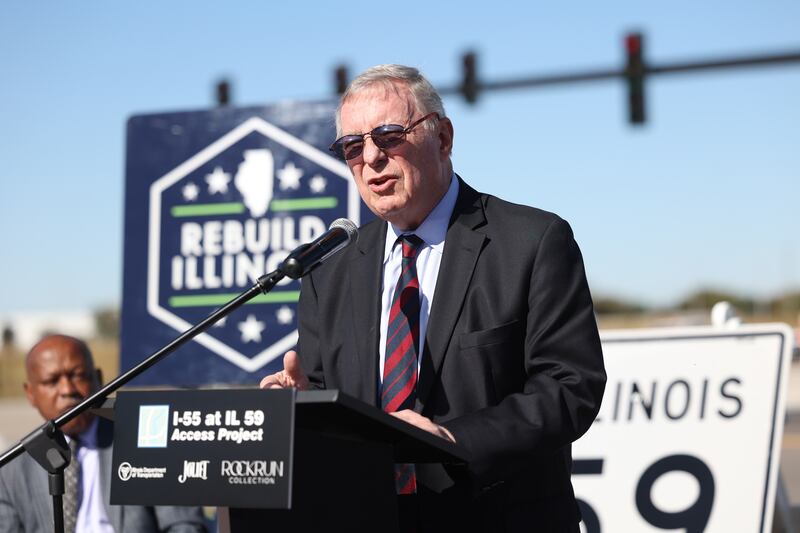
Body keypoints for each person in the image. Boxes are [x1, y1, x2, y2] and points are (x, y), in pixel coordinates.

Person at [260, 64, 606, 531]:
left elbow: (569, 388)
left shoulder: (531, 242)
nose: (372, 159)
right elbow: (334, 406)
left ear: (442, 138)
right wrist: (306, 410)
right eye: (353, 147)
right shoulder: (330, 274)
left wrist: (452, 439)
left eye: (388, 136)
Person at [0, 334, 207, 533]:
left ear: (98, 380)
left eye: (78, 375)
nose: (67, 389)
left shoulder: (146, 441)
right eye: (52, 381)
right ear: (30, 394)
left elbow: (185, 525)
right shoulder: (11, 467)